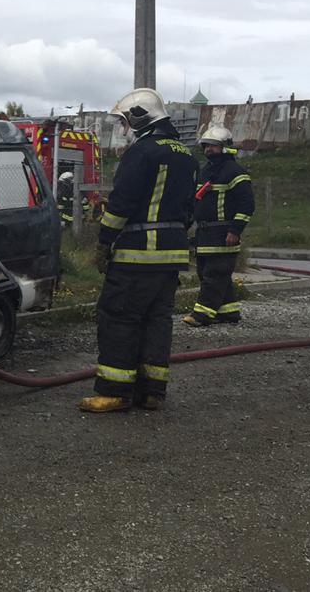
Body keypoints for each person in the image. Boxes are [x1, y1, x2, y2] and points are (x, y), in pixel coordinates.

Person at [80, 89, 198, 413]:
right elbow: (190, 209)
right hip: (172, 256)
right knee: (157, 321)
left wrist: (104, 240)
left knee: (119, 318)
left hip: (137, 256)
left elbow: (122, 204)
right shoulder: (186, 155)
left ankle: (114, 392)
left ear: (139, 117)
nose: (124, 128)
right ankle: (152, 392)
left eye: (125, 121)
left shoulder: (142, 152)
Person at [183, 127, 254, 326]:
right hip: (205, 233)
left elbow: (247, 205)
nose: (208, 150)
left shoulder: (235, 172)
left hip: (223, 233)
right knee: (208, 272)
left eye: (213, 146)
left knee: (215, 274)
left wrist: (235, 230)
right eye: (206, 146)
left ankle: (201, 315)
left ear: (224, 147)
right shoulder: (206, 171)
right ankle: (228, 311)